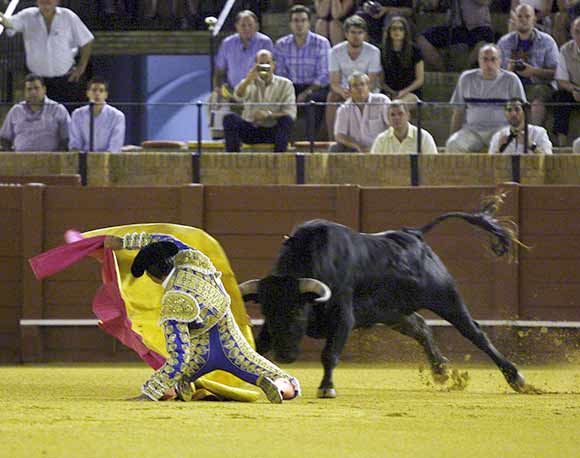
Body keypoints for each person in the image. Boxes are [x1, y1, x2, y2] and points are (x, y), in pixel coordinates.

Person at [102, 231, 301, 402]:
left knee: (179, 375)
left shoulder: (175, 299)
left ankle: (169, 389)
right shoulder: (197, 260)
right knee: (269, 372)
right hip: (231, 341)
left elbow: (179, 357)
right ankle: (281, 387)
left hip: (199, 357)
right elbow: (166, 240)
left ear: (153, 276)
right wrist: (124, 242)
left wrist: (149, 392)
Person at [0, 0, 94, 109]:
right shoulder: (27, 16)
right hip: (37, 83)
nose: (46, 1)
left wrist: (81, 67)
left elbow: (86, 40)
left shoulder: (68, 16)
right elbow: (9, 23)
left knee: (67, 118)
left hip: (66, 81)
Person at [446, 44, 527, 154]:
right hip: (472, 131)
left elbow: (521, 113)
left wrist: (519, 133)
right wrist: (453, 135)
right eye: (485, 59)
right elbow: (458, 111)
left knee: (509, 145)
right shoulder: (466, 78)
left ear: (499, 61)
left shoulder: (511, 80)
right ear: (479, 61)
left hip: (501, 129)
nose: (489, 64)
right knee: (453, 144)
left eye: (493, 59)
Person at [223, 49, 296, 152]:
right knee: (229, 119)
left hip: (272, 130)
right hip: (251, 128)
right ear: (255, 65)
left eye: (267, 63)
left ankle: (278, 160)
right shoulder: (247, 82)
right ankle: (233, 158)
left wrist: (269, 114)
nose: (265, 67)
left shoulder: (286, 84)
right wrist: (249, 79)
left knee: (286, 120)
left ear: (274, 65)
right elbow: (237, 96)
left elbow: (290, 113)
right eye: (261, 64)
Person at [497, 4, 559, 125]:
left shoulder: (547, 41)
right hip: (512, 86)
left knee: (538, 96)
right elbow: (495, 73)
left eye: (527, 16)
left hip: (538, 85)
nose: (523, 19)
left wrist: (533, 71)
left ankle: (532, 136)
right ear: (514, 19)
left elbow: (557, 72)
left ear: (534, 19)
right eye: (519, 16)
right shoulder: (504, 42)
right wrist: (508, 71)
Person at [275, 4, 331, 137]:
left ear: (309, 23)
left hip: (314, 87)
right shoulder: (281, 44)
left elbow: (324, 75)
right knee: (276, 96)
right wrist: (289, 92)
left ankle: (309, 140)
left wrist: (306, 93)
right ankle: (280, 140)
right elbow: (280, 73)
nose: (299, 24)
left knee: (313, 100)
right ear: (290, 24)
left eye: (303, 20)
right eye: (295, 20)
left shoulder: (322, 43)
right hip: (291, 86)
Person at [327, 15, 382, 140]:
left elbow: (372, 81)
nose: (356, 36)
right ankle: (332, 138)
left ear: (365, 34)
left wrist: (359, 92)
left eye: (360, 33)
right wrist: (344, 91)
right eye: (353, 32)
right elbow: (334, 82)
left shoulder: (374, 52)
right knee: (332, 96)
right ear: (346, 34)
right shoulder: (335, 52)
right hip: (346, 90)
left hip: (367, 89)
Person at [417, 0, 494, 71]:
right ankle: (444, 71)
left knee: (483, 45)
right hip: (455, 28)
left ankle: (463, 73)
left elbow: (485, 1)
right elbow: (433, 5)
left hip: (479, 27)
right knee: (423, 40)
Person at [0, 73, 70, 152]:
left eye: (36, 88)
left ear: (44, 89)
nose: (33, 92)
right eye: (29, 89)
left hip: (51, 161)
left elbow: (66, 139)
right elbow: (4, 138)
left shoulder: (57, 109)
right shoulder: (16, 110)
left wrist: (56, 158)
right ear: (25, 92)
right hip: (20, 161)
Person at [213, 10, 274, 95]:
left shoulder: (265, 42)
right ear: (236, 26)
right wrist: (218, 88)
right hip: (232, 93)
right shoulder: (227, 43)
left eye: (250, 25)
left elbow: (271, 70)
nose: (247, 28)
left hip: (258, 93)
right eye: (243, 25)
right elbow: (219, 70)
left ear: (256, 26)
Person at [331, 72, 390, 152]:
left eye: (362, 84)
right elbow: (339, 135)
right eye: (355, 85)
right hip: (356, 149)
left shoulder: (382, 101)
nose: (359, 88)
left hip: (382, 147)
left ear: (368, 86)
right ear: (349, 89)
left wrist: (378, 146)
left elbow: (392, 125)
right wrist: (358, 147)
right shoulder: (344, 109)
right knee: (334, 148)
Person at [69, 77, 126, 153]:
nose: (97, 94)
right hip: (83, 159)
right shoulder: (77, 114)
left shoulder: (117, 116)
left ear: (106, 95)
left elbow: (115, 145)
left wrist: (100, 159)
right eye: (94, 90)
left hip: (108, 160)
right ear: (87, 93)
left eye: (101, 91)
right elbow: (75, 143)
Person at [380, 16, 424, 104]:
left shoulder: (415, 50)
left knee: (398, 105)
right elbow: (381, 80)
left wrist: (403, 92)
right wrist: (392, 92)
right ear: (389, 31)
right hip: (388, 92)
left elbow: (420, 80)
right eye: (394, 29)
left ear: (405, 32)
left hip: (410, 92)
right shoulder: (382, 51)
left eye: (401, 29)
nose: (397, 32)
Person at [370, 100, 438, 153]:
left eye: (400, 114)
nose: (396, 118)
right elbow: (373, 165)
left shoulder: (423, 137)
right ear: (388, 118)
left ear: (408, 116)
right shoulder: (381, 139)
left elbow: (433, 164)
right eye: (392, 115)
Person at [488, 97, 553, 153]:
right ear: (505, 114)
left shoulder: (539, 133)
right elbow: (489, 163)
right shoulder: (498, 135)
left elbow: (548, 159)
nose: (513, 114)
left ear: (524, 112)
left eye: (517, 109)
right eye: (509, 110)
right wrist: (499, 149)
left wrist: (532, 146)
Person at [553, 17, 580, 146]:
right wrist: (575, 90)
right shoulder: (565, 50)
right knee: (559, 97)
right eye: (577, 32)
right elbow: (561, 80)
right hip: (573, 90)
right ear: (572, 33)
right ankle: (561, 144)